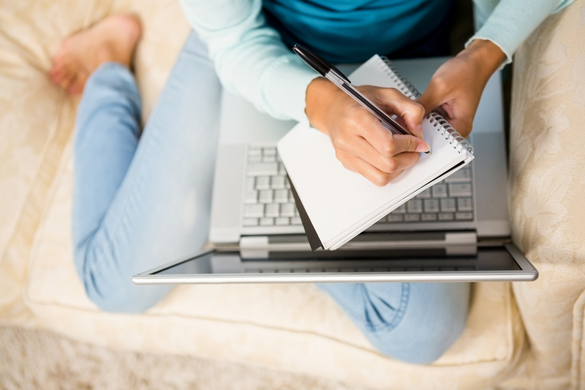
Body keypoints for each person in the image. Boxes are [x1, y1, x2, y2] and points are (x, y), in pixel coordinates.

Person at [49, 0, 573, 364]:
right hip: (265, 53)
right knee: (114, 285)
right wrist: (318, 103)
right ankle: (106, 68)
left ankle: (267, 223)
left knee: (423, 332)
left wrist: (483, 53)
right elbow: (234, 41)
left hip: (415, 65)